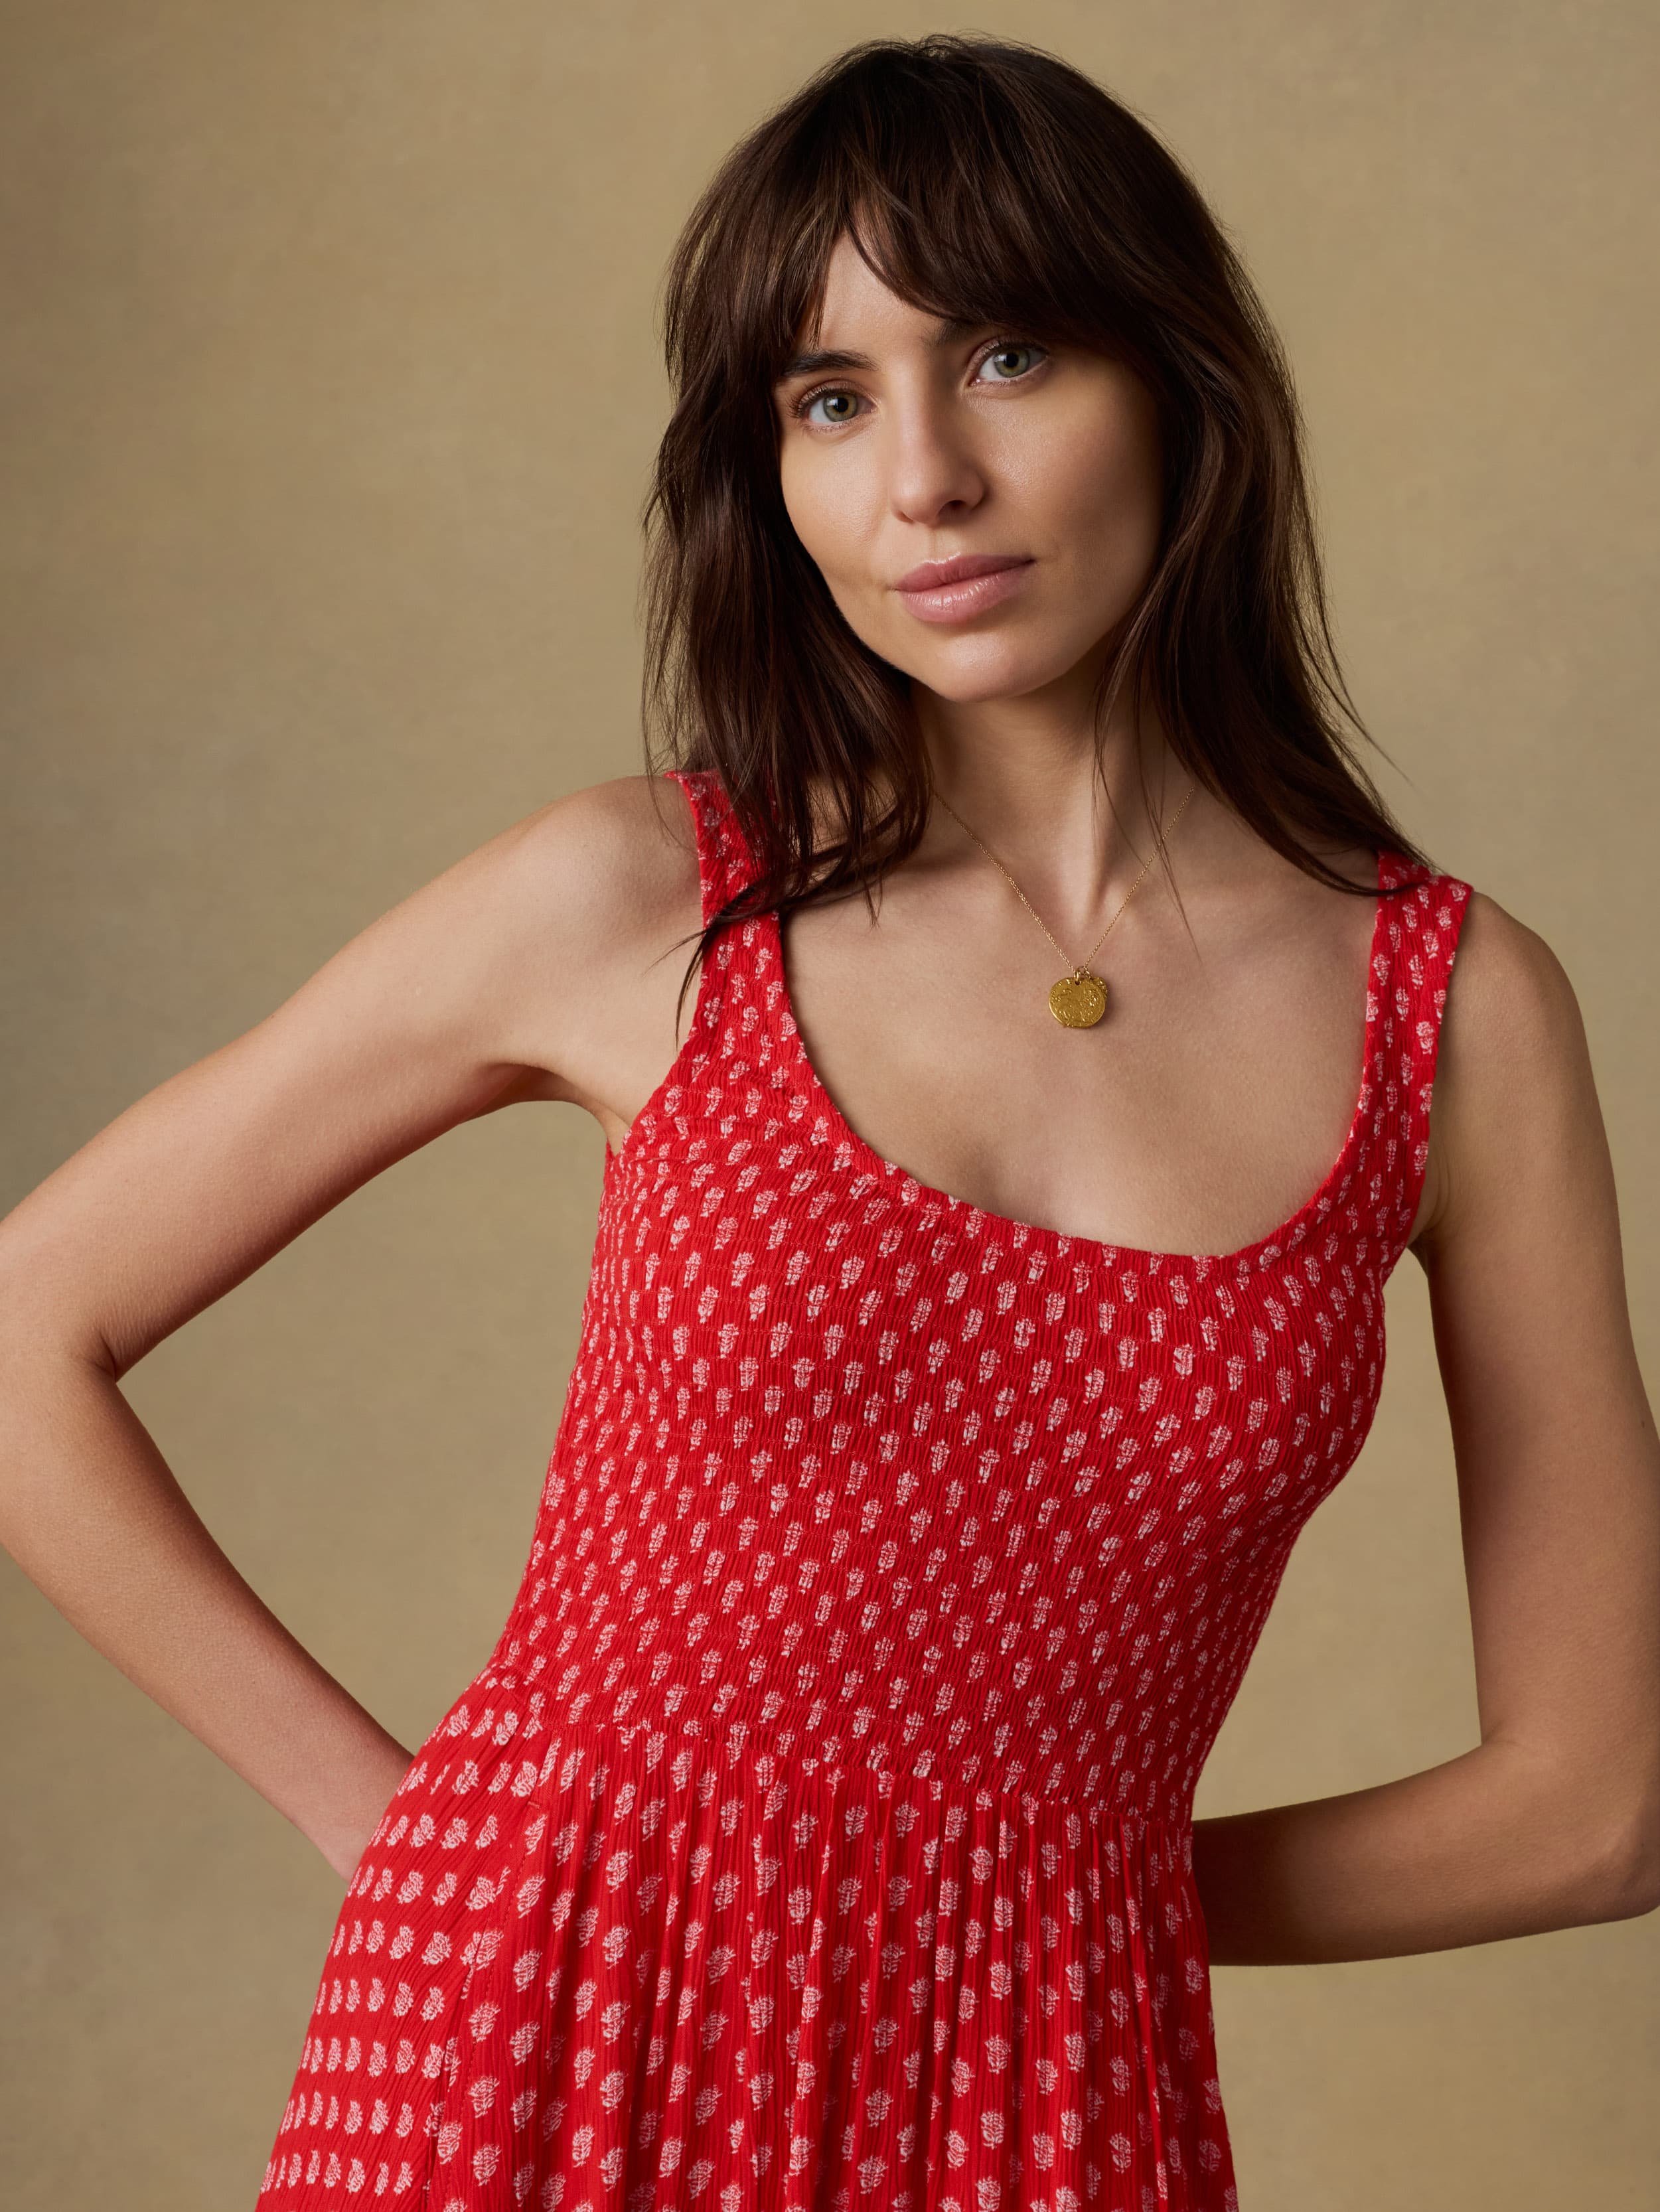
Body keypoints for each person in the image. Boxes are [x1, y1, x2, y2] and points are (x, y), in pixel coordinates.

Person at [1, 31, 1655, 2212]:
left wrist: (1054, 1903)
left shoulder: (1456, 1018)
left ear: (1182, 388)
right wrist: (394, 1823)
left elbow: (1602, 1799)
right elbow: (28, 1325)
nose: (924, 485)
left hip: (1053, 2115)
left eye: (1010, 353)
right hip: (535, 2047)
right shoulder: (647, 900)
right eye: (830, 398)